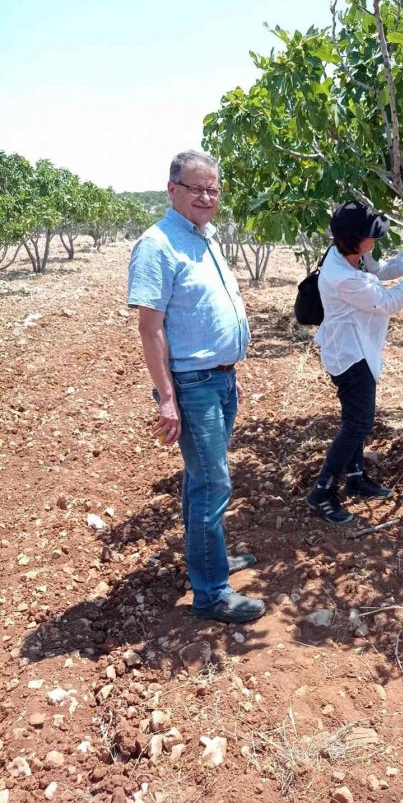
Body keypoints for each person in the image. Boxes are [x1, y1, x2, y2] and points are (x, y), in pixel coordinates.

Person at [127, 150, 265, 624]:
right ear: (172, 190)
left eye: (213, 189)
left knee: (201, 478)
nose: (206, 197)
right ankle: (211, 593)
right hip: (193, 384)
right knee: (211, 482)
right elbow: (150, 328)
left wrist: (229, 369)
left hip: (220, 379)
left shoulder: (205, 237)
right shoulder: (157, 244)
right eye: (196, 188)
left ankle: (209, 559)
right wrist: (167, 397)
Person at [306, 200, 403, 524]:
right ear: (356, 240)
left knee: (354, 420)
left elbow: (380, 271)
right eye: (370, 234)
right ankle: (322, 490)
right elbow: (387, 301)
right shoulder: (343, 277)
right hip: (350, 356)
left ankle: (355, 477)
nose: (375, 238)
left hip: (356, 349)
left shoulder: (348, 255)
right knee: (358, 424)